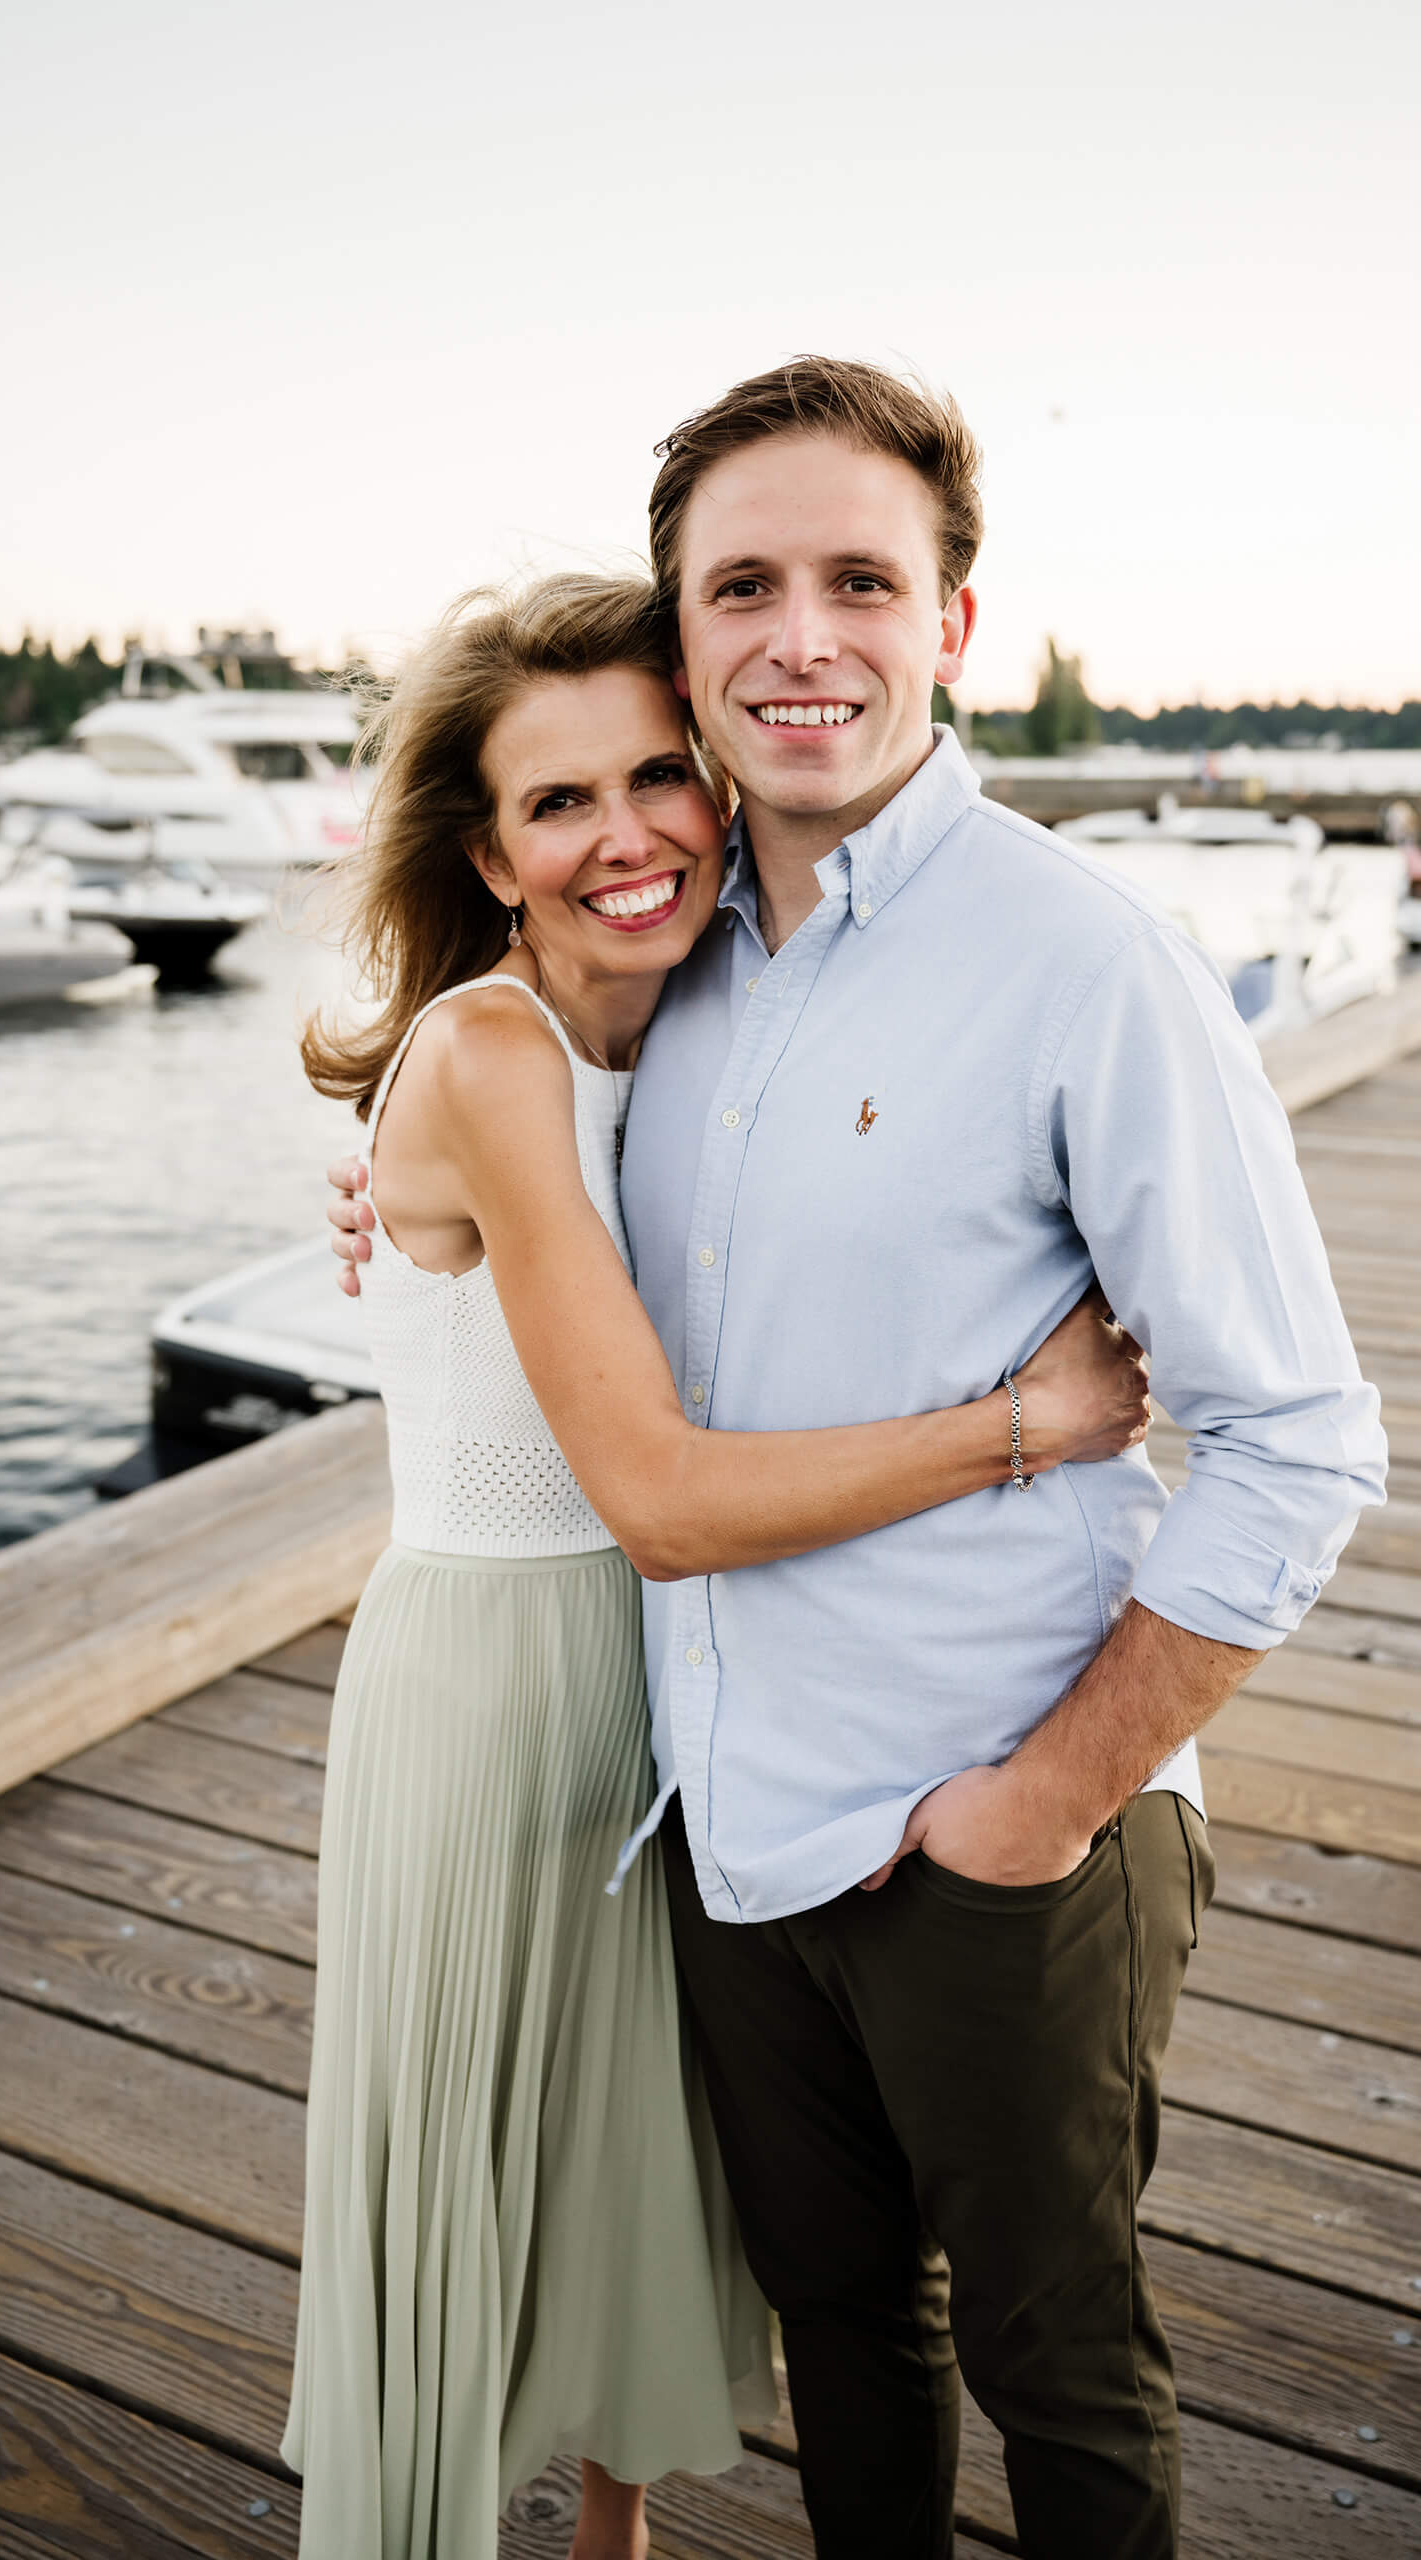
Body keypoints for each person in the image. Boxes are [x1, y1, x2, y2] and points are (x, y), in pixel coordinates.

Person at [330, 358, 1389, 2559]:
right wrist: (390, 1177)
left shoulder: (1084, 961)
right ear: (689, 629)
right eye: (741, 584)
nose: (796, 634)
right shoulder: (673, 957)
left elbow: (1300, 1435)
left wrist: (1047, 1799)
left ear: (951, 624)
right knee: (843, 2340)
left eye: (855, 579)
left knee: (1059, 2366)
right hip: (715, 1817)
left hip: (996, 1821)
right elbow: (503, 1115)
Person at [287, 568, 1152, 2560]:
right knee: (477, 2184)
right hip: (502, 1679)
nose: (623, 836)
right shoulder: (496, 1052)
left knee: (626, 2176)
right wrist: (1025, 1421)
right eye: (557, 802)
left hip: (669, 1676)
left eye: (654, 776)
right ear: (488, 851)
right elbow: (658, 1490)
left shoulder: (699, 1024)